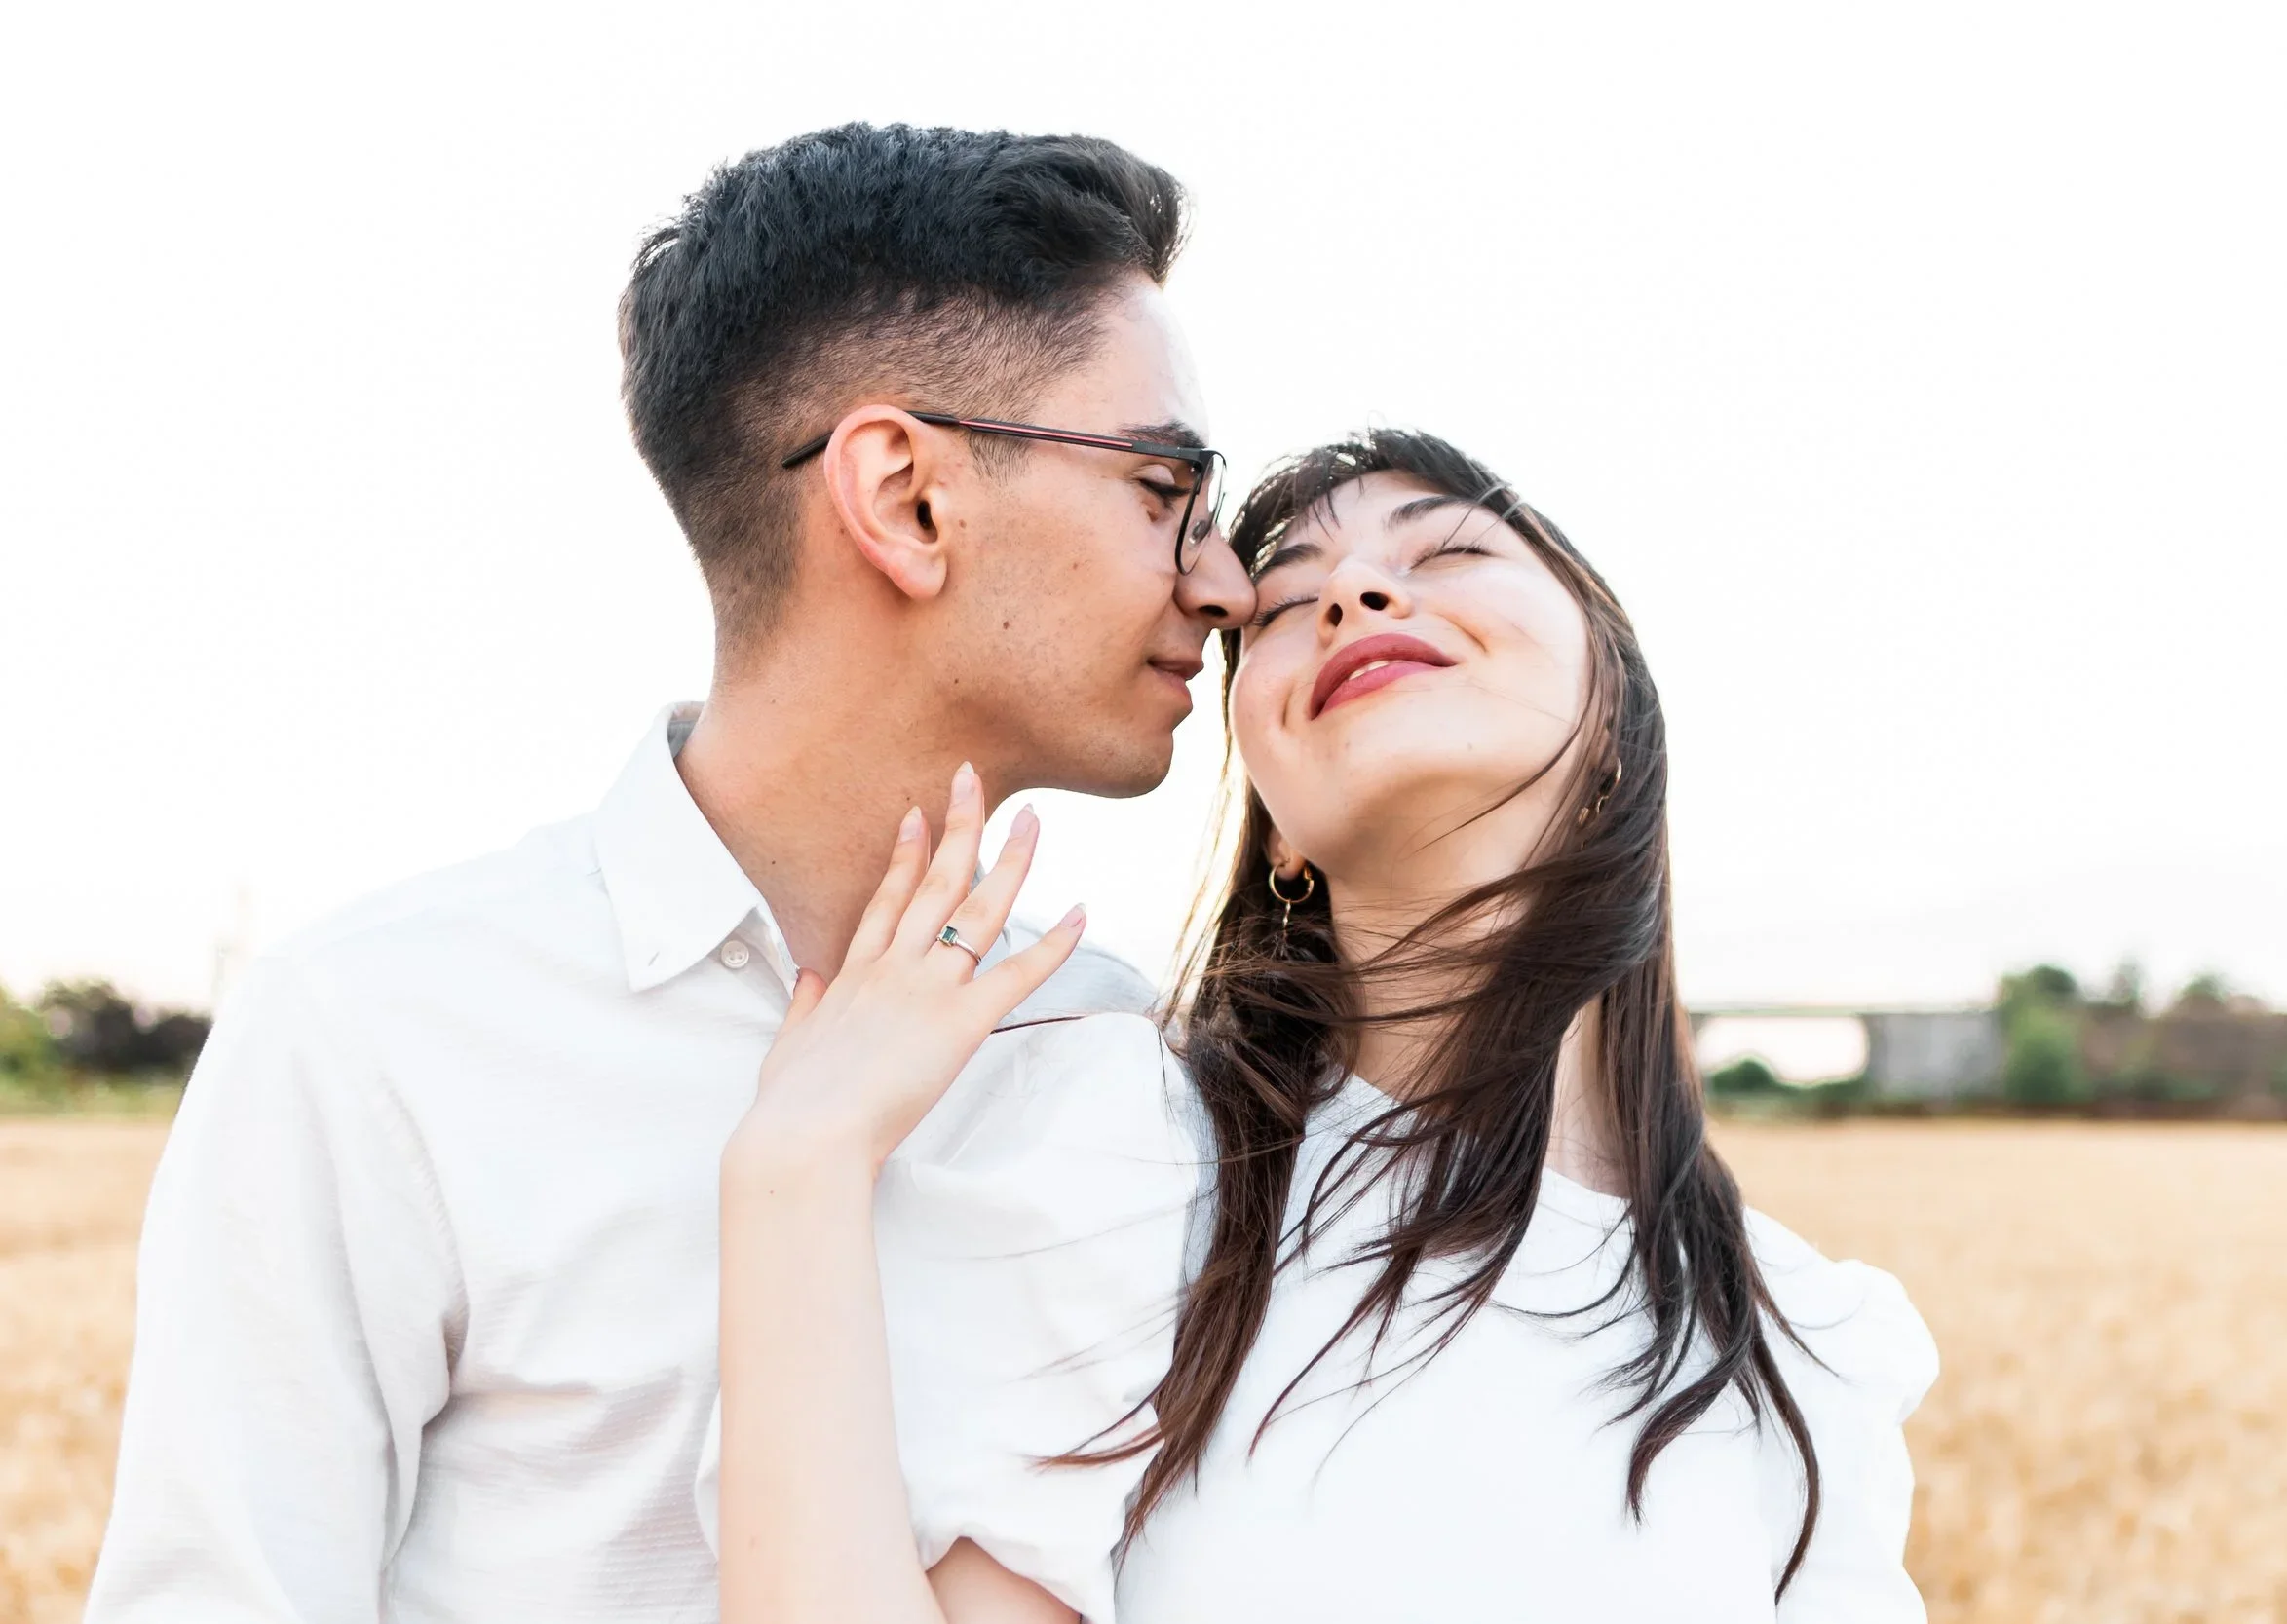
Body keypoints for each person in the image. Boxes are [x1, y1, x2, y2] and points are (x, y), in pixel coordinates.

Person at [86, 123, 1253, 1624]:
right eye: (1165, 486)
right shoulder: (381, 1032)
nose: (1220, 582)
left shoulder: (1104, 1059)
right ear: (905, 497)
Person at [711, 429, 1939, 1622]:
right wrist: (794, 1172)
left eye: (1447, 553)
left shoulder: (1812, 1339)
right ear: (1278, 824)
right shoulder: (1135, 1149)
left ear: (1614, 717)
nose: (1352, 592)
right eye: (1285, 606)